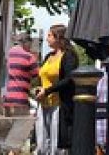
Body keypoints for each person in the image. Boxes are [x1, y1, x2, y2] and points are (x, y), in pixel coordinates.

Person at [35, 24, 78, 155]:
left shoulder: (69, 56)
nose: (47, 39)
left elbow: (69, 79)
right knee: (42, 146)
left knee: (56, 148)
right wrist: (39, 88)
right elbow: (42, 76)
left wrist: (47, 91)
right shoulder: (48, 56)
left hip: (59, 105)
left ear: (58, 38)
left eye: (49, 35)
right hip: (43, 104)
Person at [3, 32, 39, 116]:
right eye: (30, 44)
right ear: (26, 42)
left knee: (9, 128)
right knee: (20, 127)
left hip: (7, 99)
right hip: (21, 99)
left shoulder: (9, 53)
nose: (30, 47)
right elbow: (36, 76)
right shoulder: (29, 56)